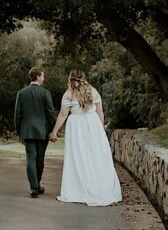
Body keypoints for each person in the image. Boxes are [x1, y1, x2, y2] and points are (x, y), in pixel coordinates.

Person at [49, 69, 122, 207]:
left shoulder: (68, 94)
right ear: (84, 78)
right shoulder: (93, 91)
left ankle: (80, 188)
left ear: (70, 78)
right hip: (93, 124)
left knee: (79, 157)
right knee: (95, 156)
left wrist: (54, 132)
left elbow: (63, 114)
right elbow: (100, 111)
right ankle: (100, 187)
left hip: (77, 127)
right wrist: (101, 129)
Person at [14, 66, 56, 198]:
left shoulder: (21, 93)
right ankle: (36, 185)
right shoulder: (45, 93)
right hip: (43, 131)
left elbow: (17, 115)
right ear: (37, 77)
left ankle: (34, 188)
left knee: (30, 158)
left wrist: (19, 130)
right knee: (40, 158)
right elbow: (50, 113)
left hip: (27, 130)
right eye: (42, 76)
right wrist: (52, 130)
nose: (44, 78)